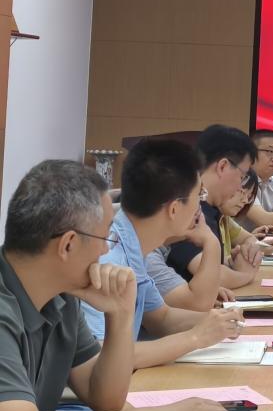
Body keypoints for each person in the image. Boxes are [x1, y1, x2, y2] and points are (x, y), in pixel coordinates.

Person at [0, 160, 239, 411]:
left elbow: (105, 400)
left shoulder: (63, 295)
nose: (106, 252)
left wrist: (121, 316)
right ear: (68, 245)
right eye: (105, 238)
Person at [79, 139, 246, 370]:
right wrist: (195, 337)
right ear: (174, 209)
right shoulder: (109, 257)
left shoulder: (134, 247)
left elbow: (161, 319)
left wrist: (217, 322)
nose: (200, 207)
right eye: (199, 195)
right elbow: (100, 356)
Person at [162, 125, 262, 291]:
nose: (240, 186)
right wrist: (247, 274)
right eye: (242, 176)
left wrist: (232, 264)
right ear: (222, 166)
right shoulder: (187, 208)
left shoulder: (210, 210)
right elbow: (214, 277)